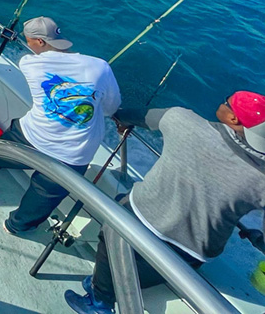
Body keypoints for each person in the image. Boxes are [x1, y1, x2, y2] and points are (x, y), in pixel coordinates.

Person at [65, 91, 265, 314]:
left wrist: (121, 118)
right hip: (191, 256)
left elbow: (138, 116)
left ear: (233, 118)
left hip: (140, 222)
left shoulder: (183, 120)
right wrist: (258, 238)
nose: (221, 103)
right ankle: (105, 283)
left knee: (111, 229)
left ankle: (100, 300)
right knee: (145, 266)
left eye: (226, 102)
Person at [0, 16, 122, 235]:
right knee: (45, 195)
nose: (29, 46)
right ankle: (16, 226)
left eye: (29, 41)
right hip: (75, 153)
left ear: (40, 42)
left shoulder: (29, 64)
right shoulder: (101, 67)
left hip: (33, 137)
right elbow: (111, 107)